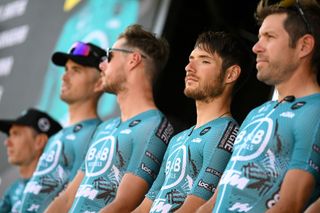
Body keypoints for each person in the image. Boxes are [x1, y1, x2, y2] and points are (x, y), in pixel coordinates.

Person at [45, 24, 174, 213]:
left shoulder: (153, 126)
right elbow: (67, 199)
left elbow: (124, 205)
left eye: (110, 56)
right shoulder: (105, 128)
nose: (102, 65)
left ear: (133, 60)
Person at [207, 0, 320, 212]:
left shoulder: (315, 112)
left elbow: (289, 205)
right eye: (259, 37)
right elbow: (215, 201)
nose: (256, 47)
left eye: (269, 37)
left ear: (304, 46)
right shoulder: (256, 113)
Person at [133, 31, 252, 213]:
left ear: (231, 74)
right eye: (191, 59)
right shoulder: (177, 139)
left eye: (204, 60)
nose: (189, 67)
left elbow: (195, 208)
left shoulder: (226, 131)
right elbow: (146, 206)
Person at [19, 42, 106, 212]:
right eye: (66, 69)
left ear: (99, 83)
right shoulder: (55, 137)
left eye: (76, 70)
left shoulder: (98, 135)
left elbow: (74, 201)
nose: (64, 77)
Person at [0, 108, 62, 213]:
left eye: (16, 134)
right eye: (9, 135)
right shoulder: (14, 188)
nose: (7, 142)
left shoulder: (57, 190)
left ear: (40, 141)